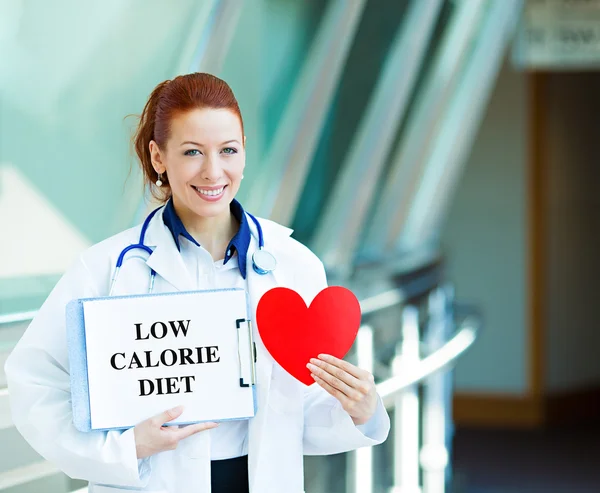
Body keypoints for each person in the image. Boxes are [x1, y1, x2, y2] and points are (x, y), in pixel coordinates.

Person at [4, 72, 390, 493]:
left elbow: (300, 405)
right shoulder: (106, 269)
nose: (213, 171)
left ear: (244, 154)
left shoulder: (293, 265)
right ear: (158, 158)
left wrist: (361, 410)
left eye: (228, 150)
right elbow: (34, 381)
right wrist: (123, 448)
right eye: (192, 152)